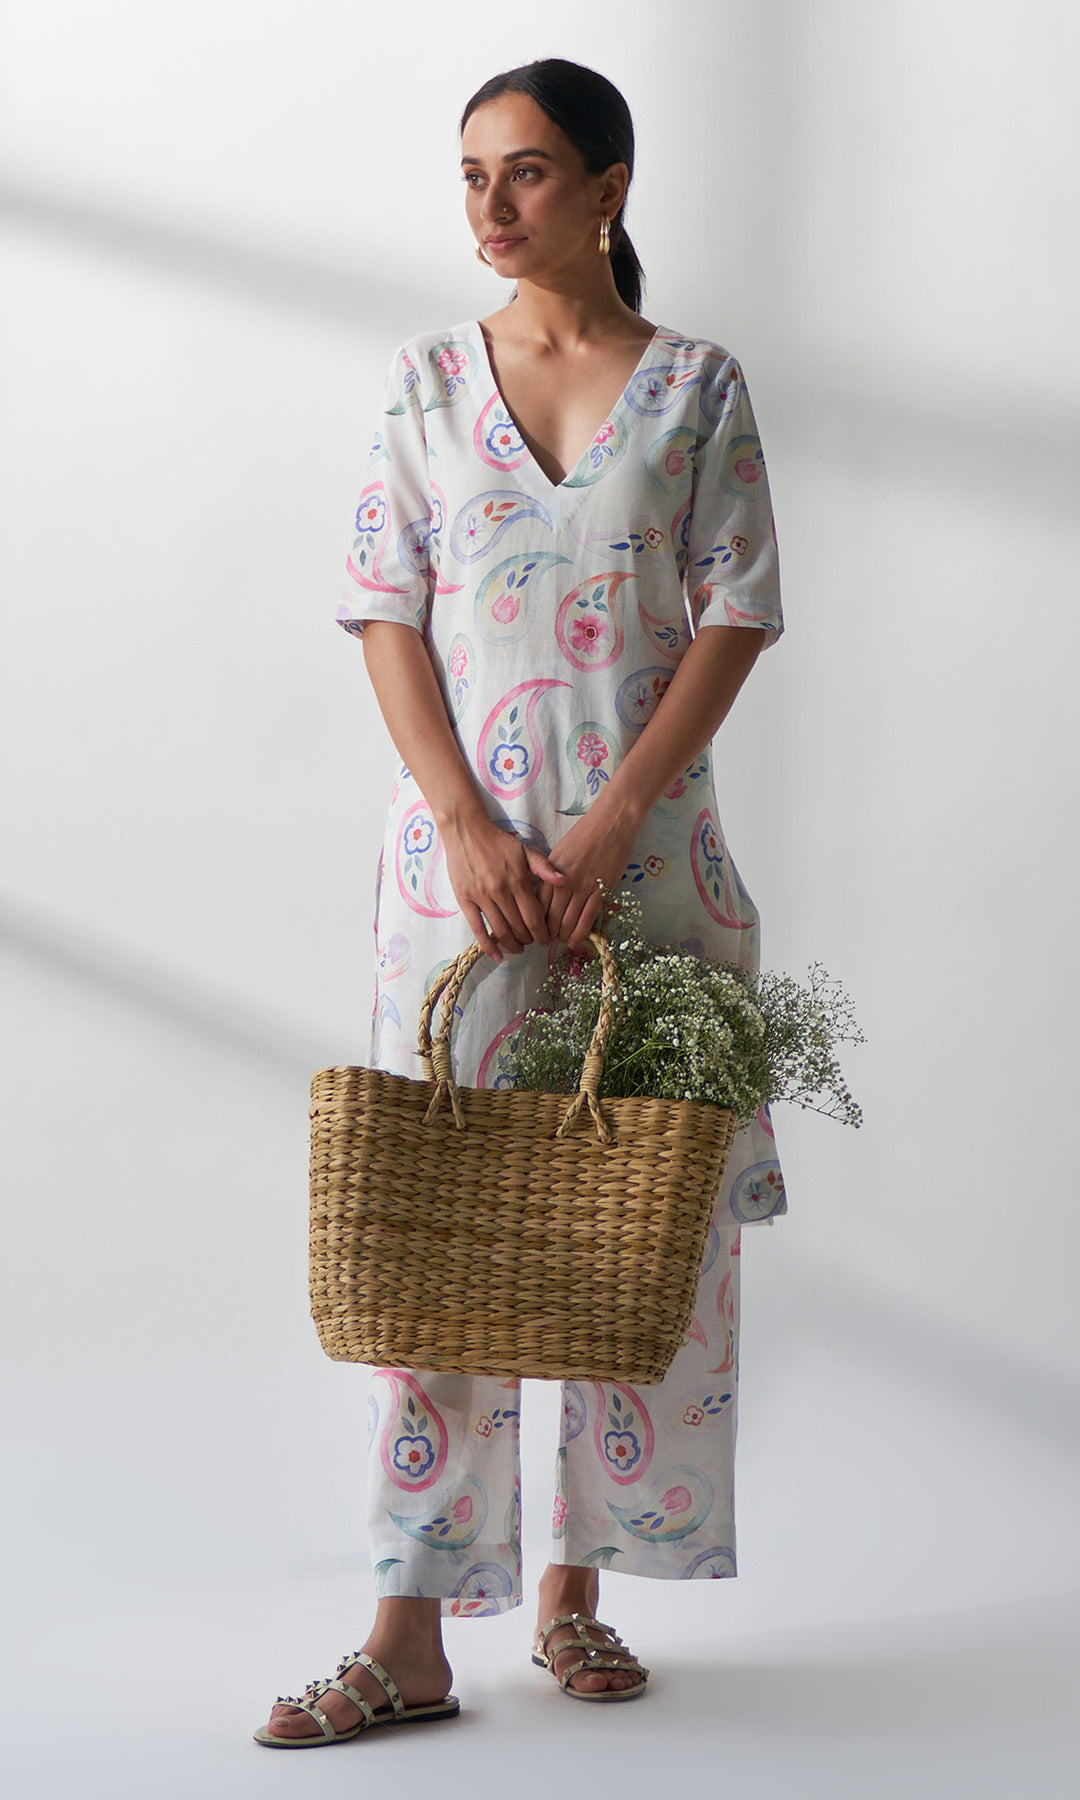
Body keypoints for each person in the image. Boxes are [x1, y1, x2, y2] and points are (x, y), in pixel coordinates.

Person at [254, 55, 786, 1748]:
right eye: (473, 173)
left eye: (530, 171)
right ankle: (407, 1635)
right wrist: (466, 828)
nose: (491, 204)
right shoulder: (425, 382)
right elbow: (382, 611)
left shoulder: (696, 387)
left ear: (610, 188)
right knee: (442, 1231)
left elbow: (737, 612)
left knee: (634, 1230)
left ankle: (576, 1592)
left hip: (652, 876)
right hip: (461, 889)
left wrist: (617, 822)